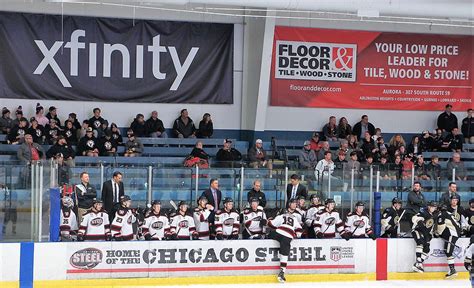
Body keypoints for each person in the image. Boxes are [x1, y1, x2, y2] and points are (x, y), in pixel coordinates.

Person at [267, 198, 303, 283]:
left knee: (269, 235)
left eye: (295, 203)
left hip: (278, 232)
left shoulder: (282, 215)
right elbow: (299, 229)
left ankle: (282, 272)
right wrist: (298, 234)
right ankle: (282, 272)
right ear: (289, 204)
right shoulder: (294, 218)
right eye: (293, 203)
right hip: (288, 235)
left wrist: (267, 221)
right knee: (284, 254)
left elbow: (271, 224)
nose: (294, 205)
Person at [436, 203, 461, 278]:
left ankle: (452, 269)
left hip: (452, 234)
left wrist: (438, 233)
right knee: (447, 251)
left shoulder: (441, 214)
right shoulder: (449, 213)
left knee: (448, 251)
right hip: (454, 233)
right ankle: (452, 269)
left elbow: (440, 226)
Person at [411, 201, 437, 273]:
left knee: (427, 248)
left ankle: (417, 264)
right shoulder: (423, 212)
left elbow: (431, 226)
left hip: (426, 233)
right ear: (428, 206)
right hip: (417, 230)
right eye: (431, 206)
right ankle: (419, 262)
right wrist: (419, 221)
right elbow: (414, 217)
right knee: (420, 242)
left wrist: (431, 234)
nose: (432, 208)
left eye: (434, 207)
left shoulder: (434, 215)